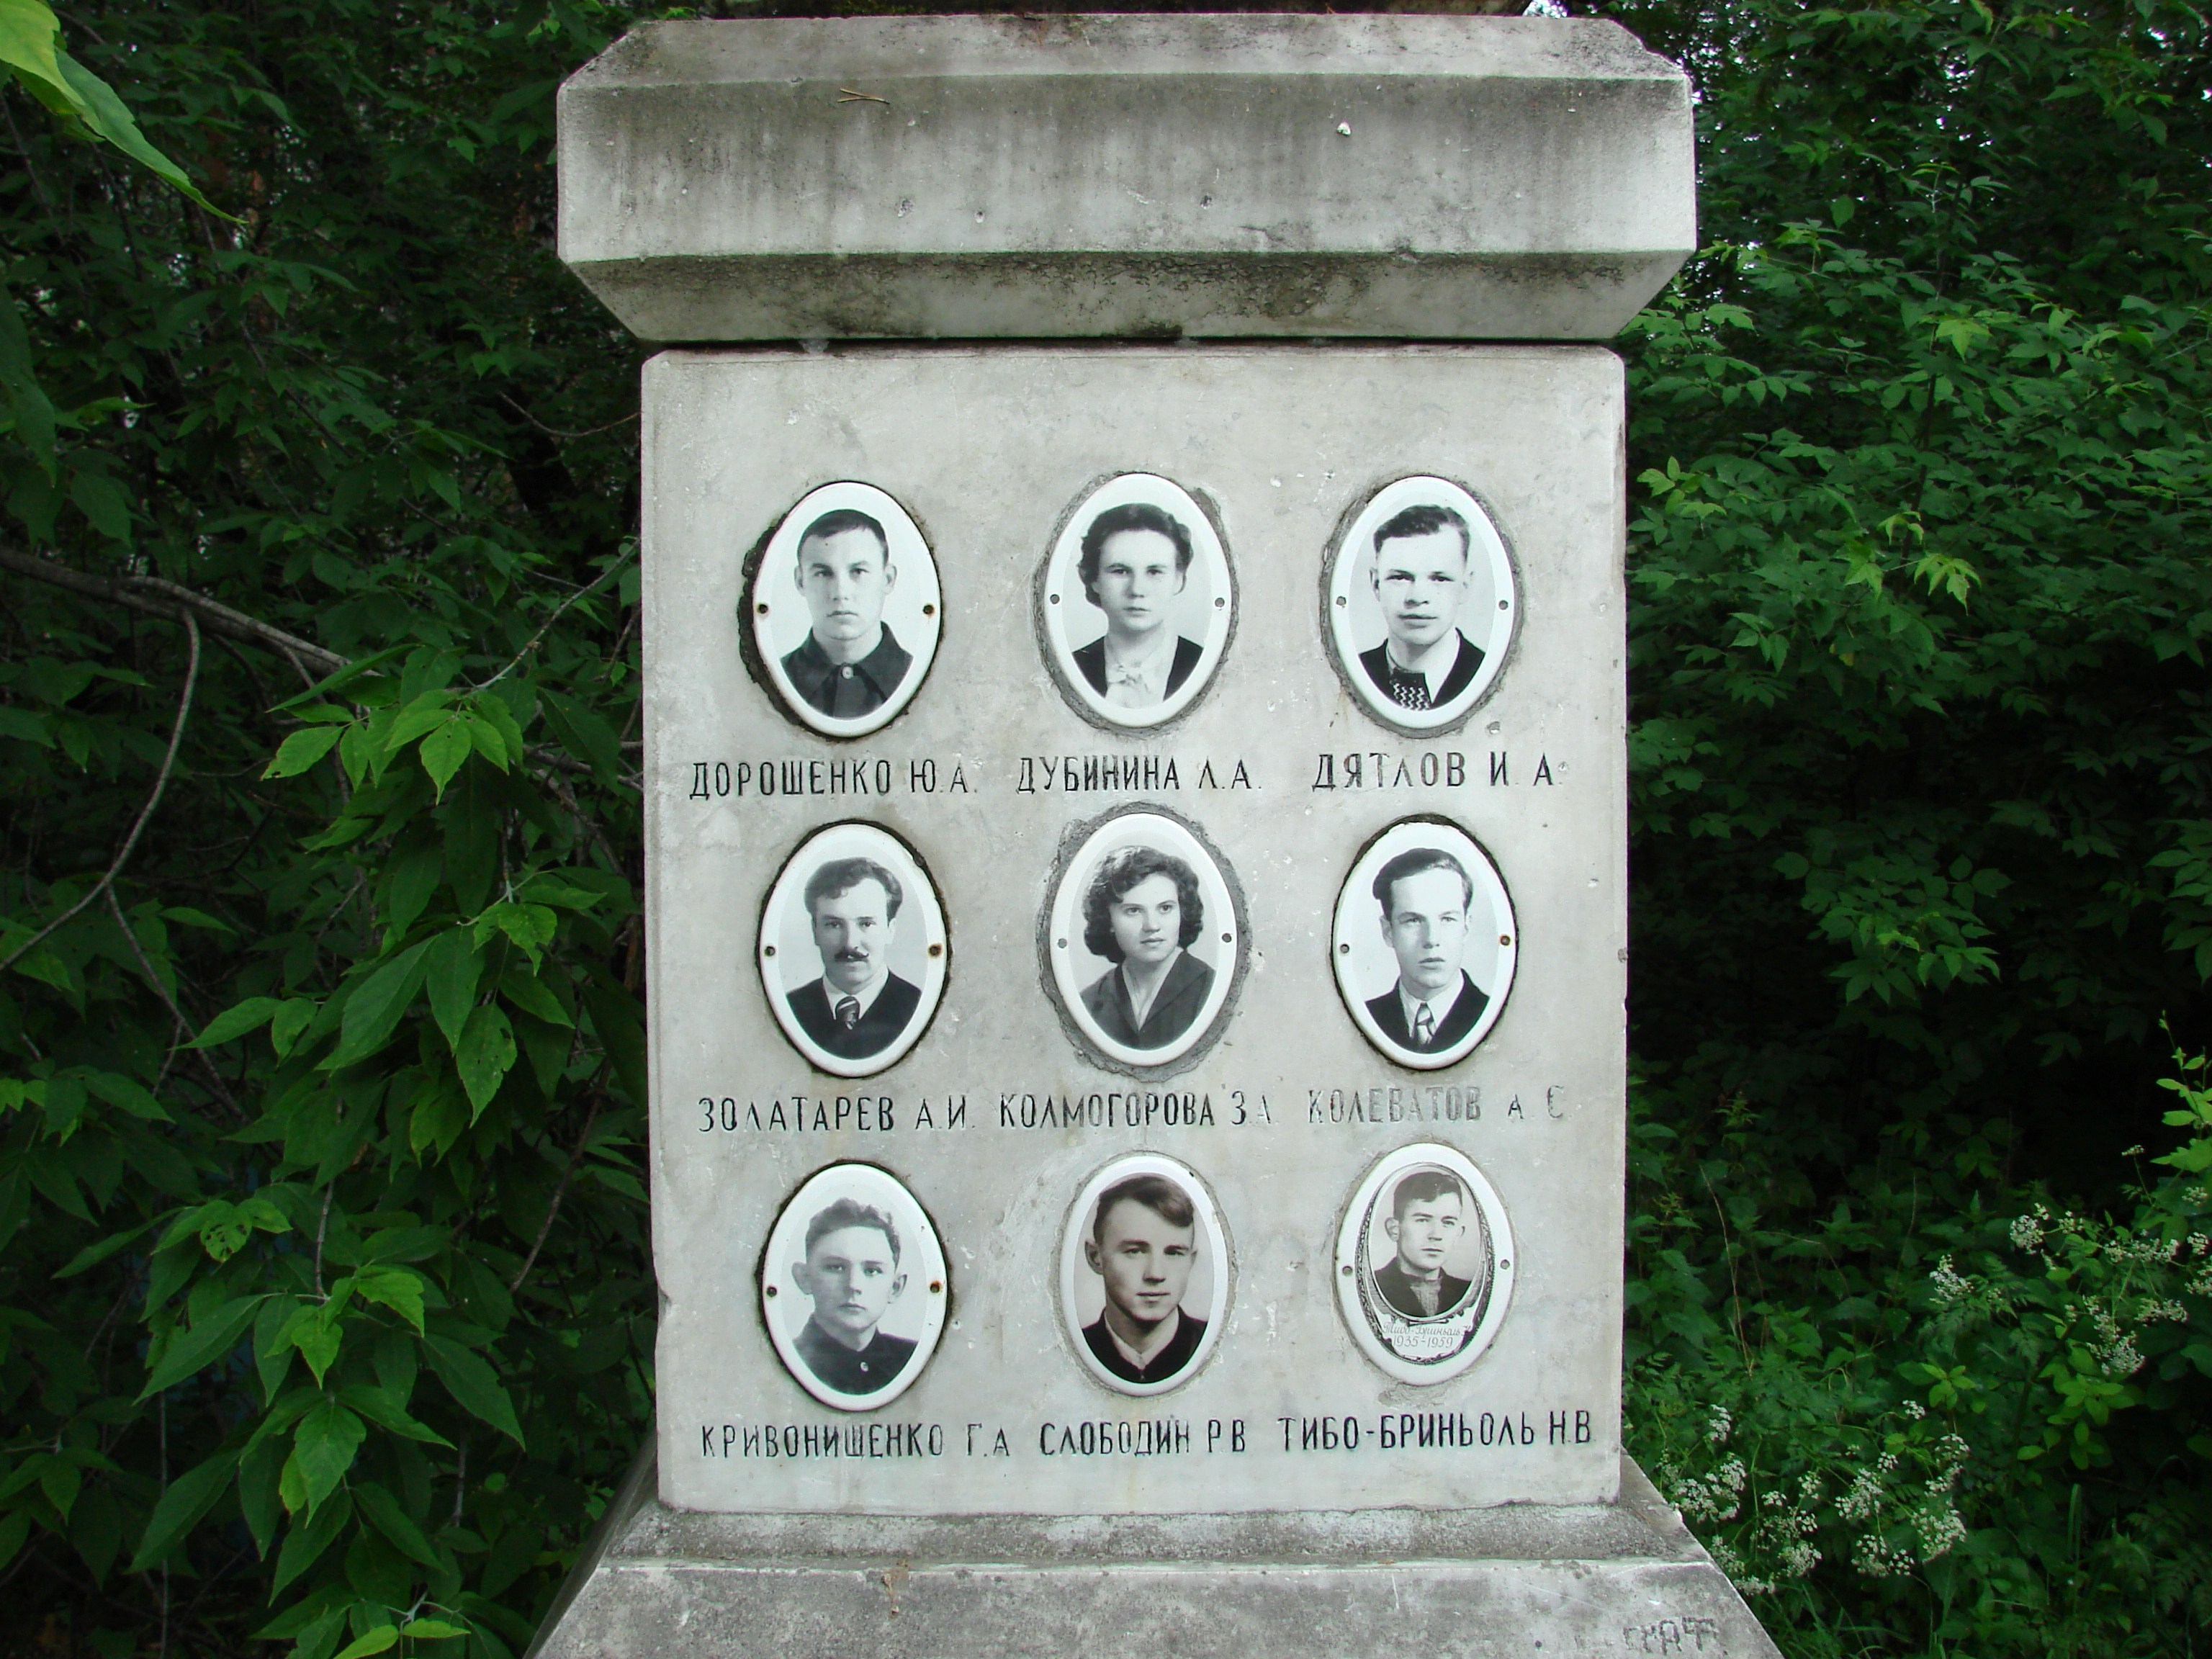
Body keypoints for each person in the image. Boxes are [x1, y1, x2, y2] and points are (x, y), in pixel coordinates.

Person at [780, 508, 912, 718]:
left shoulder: (918, 678)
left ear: (888, 579)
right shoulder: (777, 680)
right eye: (823, 573)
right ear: (800, 581)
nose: (840, 593)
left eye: (858, 572)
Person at [786, 857, 922, 1061]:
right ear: (815, 931)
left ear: (890, 930)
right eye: (834, 925)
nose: (850, 943)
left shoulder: (916, 1007)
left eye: (866, 924)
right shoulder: (791, 1008)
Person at [1071, 503, 1204, 710]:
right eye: (1120, 571)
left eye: (1154, 572)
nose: (1137, 590)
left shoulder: (1203, 665)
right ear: (1094, 579)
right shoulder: (1072, 668)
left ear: (1178, 579)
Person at [1079, 846, 1214, 1050]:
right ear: (1108, 920)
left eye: (1165, 908)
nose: (1152, 926)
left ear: (1182, 912)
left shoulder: (1209, 990)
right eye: (1133, 911)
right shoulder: (1091, 1001)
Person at [1080, 1174, 1208, 1385]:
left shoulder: (1213, 1345)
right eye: (1135, 1251)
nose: (1156, 1274)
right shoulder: (1079, 1348)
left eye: (1174, 1253)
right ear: (1095, 1257)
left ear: (1190, 1261)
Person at [1358, 503, 1485, 712]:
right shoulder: (1354, 672)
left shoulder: (1491, 672)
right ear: (1376, 583)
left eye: (1440, 579)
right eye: (1400, 577)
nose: (1417, 598)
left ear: (1465, 586)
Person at [1363, 847, 1489, 1053]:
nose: (1431, 940)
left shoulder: (1495, 1015)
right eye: (1413, 920)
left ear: (1466, 927)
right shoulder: (1365, 1018)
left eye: (1447, 919)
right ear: (1388, 931)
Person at [789, 1197, 916, 1395]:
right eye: (836, 1267)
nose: (853, 1285)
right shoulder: (788, 1359)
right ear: (804, 1278)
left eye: (872, 1271)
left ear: (895, 1287)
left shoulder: (914, 1361)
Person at [1371, 1169, 1476, 1319]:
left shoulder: (1469, 1293)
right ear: (1394, 1229)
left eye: (1448, 1222)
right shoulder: (1372, 1286)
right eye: (1423, 1220)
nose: (1436, 1235)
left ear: (1458, 1234)